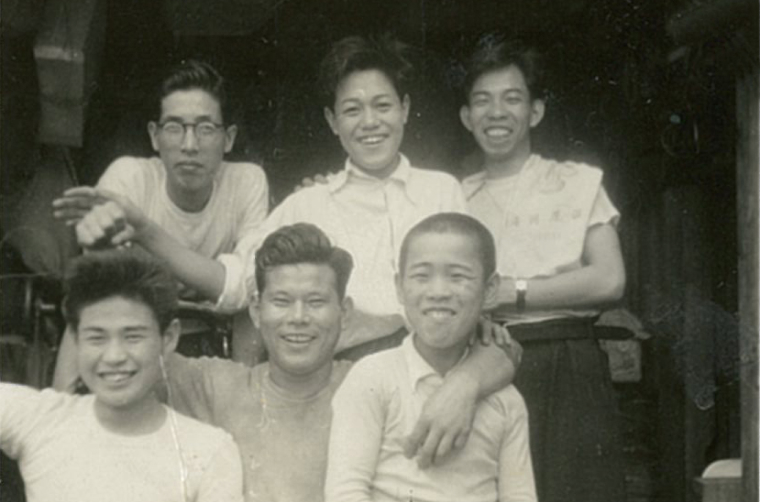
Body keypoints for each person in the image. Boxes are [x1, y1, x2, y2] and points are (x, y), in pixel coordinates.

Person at [159, 222, 519, 502]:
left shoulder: (370, 384)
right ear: (256, 310)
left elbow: (500, 351)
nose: (298, 317)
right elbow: (133, 350)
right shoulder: (214, 385)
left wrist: (470, 377)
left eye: (316, 301)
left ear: (344, 312)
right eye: (281, 301)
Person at [458, 37, 627, 502]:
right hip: (482, 360)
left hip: (566, 358)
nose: (496, 113)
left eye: (512, 99)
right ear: (466, 117)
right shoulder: (453, 196)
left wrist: (512, 292)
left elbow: (609, 278)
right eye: (482, 101)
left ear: (535, 111)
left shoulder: (575, 180)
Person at [239, 35, 468, 358]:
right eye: (352, 110)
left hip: (436, 361)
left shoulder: (442, 191)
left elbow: (467, 285)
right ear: (332, 121)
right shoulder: (308, 203)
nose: (370, 122)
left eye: (383, 105)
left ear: (404, 109)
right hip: (340, 369)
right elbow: (240, 282)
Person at [51, 60, 269, 379]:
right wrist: (99, 246)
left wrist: (145, 230)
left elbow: (241, 289)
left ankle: (244, 394)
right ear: (154, 136)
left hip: (217, 331)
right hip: (138, 325)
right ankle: (64, 407)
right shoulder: (130, 176)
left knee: (257, 300)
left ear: (229, 138)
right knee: (92, 293)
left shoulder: (246, 181)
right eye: (174, 127)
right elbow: (101, 281)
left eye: (206, 128)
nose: (189, 145)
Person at [0, 250, 244, 502]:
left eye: (133, 337)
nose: (114, 356)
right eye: (96, 338)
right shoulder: (41, 418)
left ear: (168, 338)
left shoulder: (208, 452)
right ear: (75, 339)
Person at [325, 213, 536, 502]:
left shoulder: (506, 401)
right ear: (399, 286)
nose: (438, 292)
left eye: (458, 276)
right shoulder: (372, 378)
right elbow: (345, 492)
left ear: (489, 290)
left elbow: (520, 496)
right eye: (421, 276)